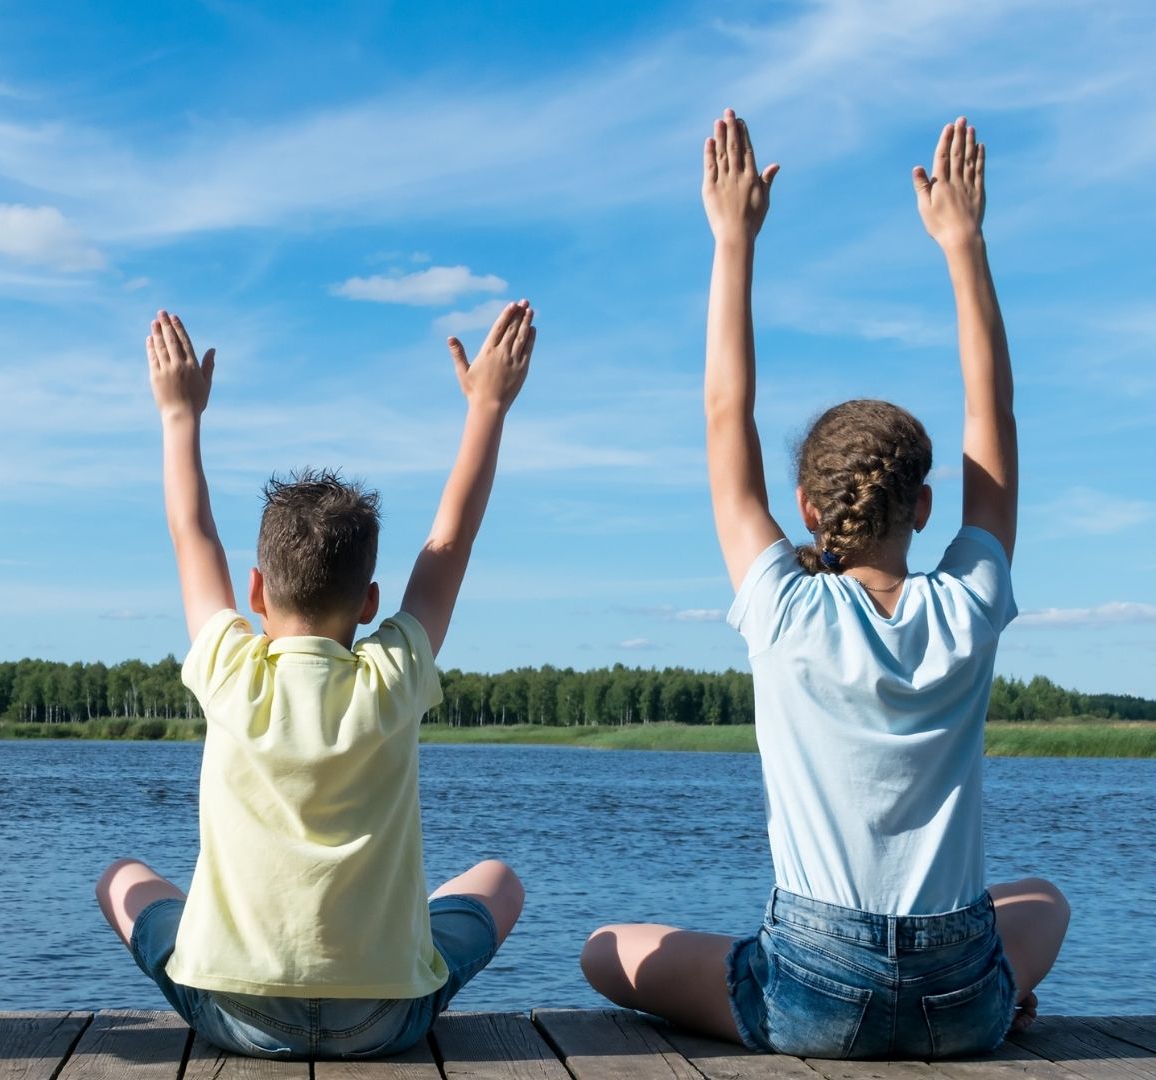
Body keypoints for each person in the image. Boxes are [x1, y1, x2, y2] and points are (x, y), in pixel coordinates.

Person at [579, 112, 1070, 1059]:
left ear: (805, 507)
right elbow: (992, 413)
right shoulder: (966, 603)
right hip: (958, 989)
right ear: (924, 506)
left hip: (813, 990)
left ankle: (864, 1001)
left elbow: (728, 413)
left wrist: (734, 240)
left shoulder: (785, 608)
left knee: (605, 951)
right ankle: (984, 1003)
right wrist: (963, 243)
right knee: (1045, 900)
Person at [94, 306, 535, 1059]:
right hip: (383, 1021)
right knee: (499, 881)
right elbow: (449, 543)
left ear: (257, 591)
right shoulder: (394, 671)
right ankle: (386, 950)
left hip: (235, 1015)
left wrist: (179, 414)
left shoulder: (230, 667)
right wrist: (488, 406)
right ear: (369, 603)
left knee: (122, 878)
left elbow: (191, 533)